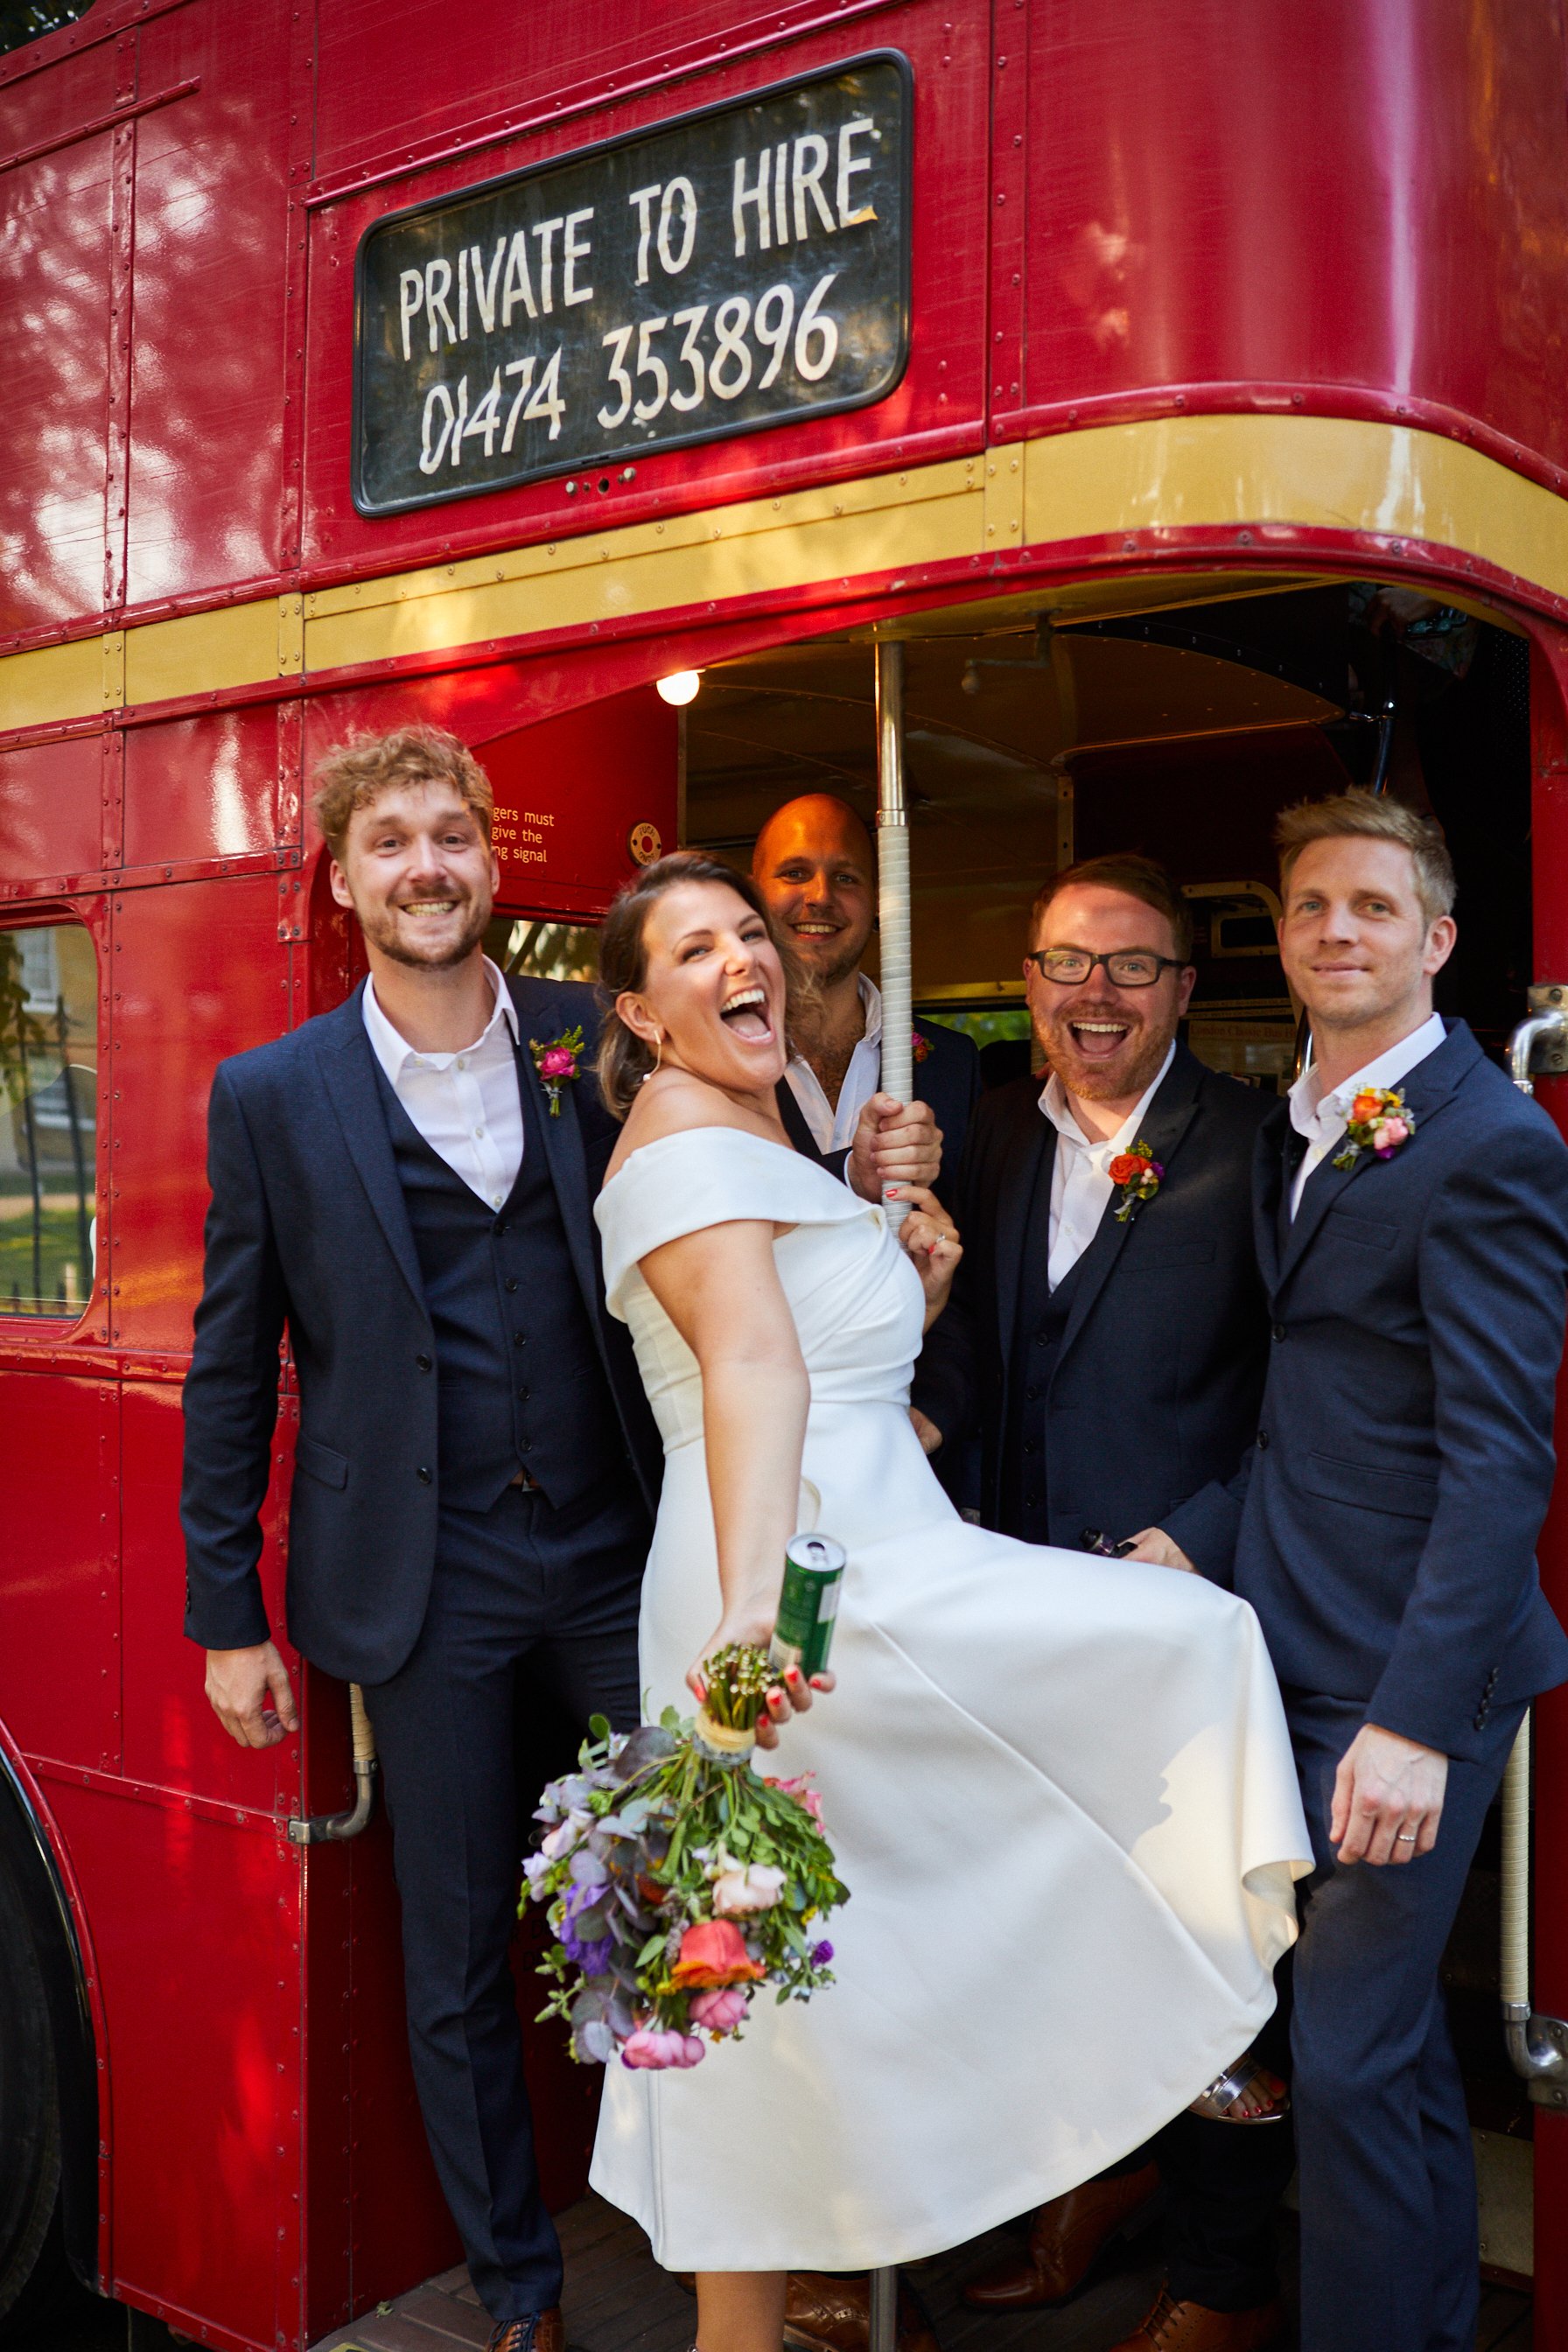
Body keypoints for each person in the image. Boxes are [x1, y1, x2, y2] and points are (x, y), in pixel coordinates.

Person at [581, 850, 1312, 2352]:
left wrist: (894, 1271)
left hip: (844, 1540)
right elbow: (751, 1367)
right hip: (804, 1578)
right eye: (696, 945)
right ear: (642, 1011)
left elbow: (824, 1353)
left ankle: (830, 2278)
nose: (744, 957)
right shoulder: (679, 1145)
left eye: (748, 934)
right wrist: (754, 1612)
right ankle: (1182, 2042)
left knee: (791, 1974)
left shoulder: (750, 1124)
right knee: (1193, 1641)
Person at [183, 725, 662, 2352]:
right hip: (425, 1578)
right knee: (457, 1950)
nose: (426, 866)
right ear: (342, 881)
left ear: (489, 857)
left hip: (612, 1547)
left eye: (448, 834)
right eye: (387, 842)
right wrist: (223, 1611)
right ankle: (520, 2287)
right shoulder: (272, 1094)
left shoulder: (595, 1038)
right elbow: (230, 1359)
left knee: (689, 1891)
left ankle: (724, 2240)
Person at [1130, 790, 1568, 2352]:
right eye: (1311, 904)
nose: (1336, 931)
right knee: (1368, 2059)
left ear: (1435, 940)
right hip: (1292, 1634)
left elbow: (1499, 1458)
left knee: (1349, 2049)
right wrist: (1196, 1530)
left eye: (1373, 907)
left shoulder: (1489, 1143)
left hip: (1404, 1673)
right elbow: (1316, 1400)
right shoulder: (1302, 1120)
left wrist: (1411, 1716)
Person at [911, 853, 1294, 2352]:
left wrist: (1200, 1537)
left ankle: (1223, 2280)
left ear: (1185, 993)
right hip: (1014, 1615)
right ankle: (1093, 2195)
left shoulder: (1254, 1143)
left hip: (1176, 1626)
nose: (1096, 994)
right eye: (1067, 963)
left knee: (1213, 1958)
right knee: (1059, 1938)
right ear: (1024, 982)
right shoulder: (991, 1135)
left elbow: (1306, 1395)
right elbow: (977, 1364)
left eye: (1133, 966)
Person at [752, 792, 979, 1194]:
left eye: (845, 878)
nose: (820, 896)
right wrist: (851, 1174)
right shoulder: (703, 1054)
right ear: (751, 896)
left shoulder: (955, 1064)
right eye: (795, 873)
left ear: (877, 901)